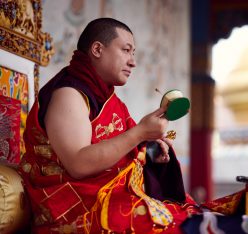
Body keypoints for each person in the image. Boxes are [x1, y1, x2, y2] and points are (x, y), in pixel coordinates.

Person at [19, 18, 225, 234]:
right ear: (97, 49)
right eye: (126, 50)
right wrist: (139, 133)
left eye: (133, 53)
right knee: (172, 224)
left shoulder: (109, 99)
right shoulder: (68, 94)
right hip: (73, 208)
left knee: (195, 216)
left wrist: (150, 145)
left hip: (110, 197)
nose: (132, 61)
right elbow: (78, 165)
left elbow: (124, 151)